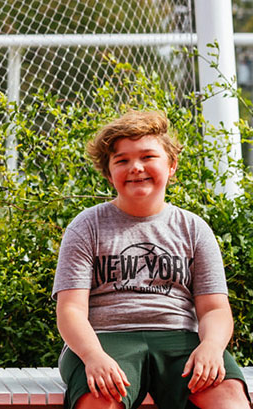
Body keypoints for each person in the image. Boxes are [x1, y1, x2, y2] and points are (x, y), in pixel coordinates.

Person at [53, 110, 249, 409]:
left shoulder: (193, 229)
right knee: (100, 399)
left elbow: (214, 308)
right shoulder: (87, 226)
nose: (136, 167)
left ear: (171, 165)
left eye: (148, 156)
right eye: (122, 160)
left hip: (181, 339)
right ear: (108, 173)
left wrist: (211, 346)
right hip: (104, 339)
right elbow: (70, 309)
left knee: (227, 398)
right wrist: (93, 356)